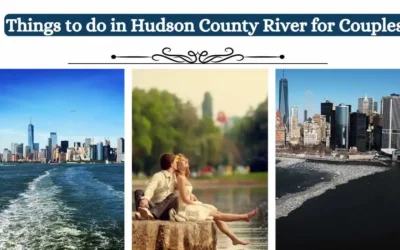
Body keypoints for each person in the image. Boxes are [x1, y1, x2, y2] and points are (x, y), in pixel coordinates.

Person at [174, 154, 258, 246]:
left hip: (191, 204)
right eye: (183, 160)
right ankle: (244, 217)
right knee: (217, 215)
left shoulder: (184, 177)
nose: (186, 160)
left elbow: (187, 193)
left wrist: (194, 197)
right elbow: (184, 199)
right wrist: (198, 205)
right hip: (185, 208)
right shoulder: (180, 178)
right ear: (177, 165)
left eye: (186, 159)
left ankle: (234, 238)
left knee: (217, 214)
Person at [134, 153, 179, 220]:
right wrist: (146, 199)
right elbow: (150, 188)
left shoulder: (175, 178)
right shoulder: (158, 176)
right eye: (175, 162)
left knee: (174, 195)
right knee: (139, 192)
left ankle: (148, 214)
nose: (177, 163)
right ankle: (145, 212)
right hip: (154, 206)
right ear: (172, 164)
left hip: (166, 211)